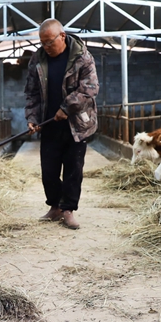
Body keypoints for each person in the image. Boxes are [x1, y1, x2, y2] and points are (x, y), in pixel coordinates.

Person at [24, 19, 99, 230]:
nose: (46, 47)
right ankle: (54, 207)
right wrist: (32, 118)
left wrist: (66, 108)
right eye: (42, 43)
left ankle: (68, 209)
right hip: (49, 123)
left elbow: (90, 88)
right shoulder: (37, 60)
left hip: (77, 124)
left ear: (62, 36)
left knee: (73, 168)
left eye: (49, 42)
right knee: (49, 169)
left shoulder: (83, 57)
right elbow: (31, 92)